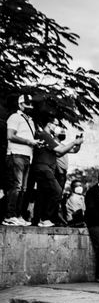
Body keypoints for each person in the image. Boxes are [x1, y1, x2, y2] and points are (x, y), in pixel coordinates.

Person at [31, 118, 84, 228]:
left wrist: (78, 143)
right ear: (50, 125)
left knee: (43, 195)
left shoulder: (48, 137)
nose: (58, 127)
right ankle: (45, 218)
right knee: (56, 191)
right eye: (56, 124)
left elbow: (62, 152)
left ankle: (39, 219)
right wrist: (74, 142)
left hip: (47, 169)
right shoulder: (44, 135)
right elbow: (60, 150)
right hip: (43, 168)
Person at [3, 94, 40, 226]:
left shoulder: (30, 120)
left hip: (27, 156)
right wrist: (29, 141)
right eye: (27, 104)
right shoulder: (14, 117)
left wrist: (34, 143)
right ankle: (9, 215)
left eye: (31, 104)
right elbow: (10, 135)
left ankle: (17, 215)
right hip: (16, 154)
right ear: (20, 104)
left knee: (23, 188)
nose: (30, 106)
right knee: (16, 187)